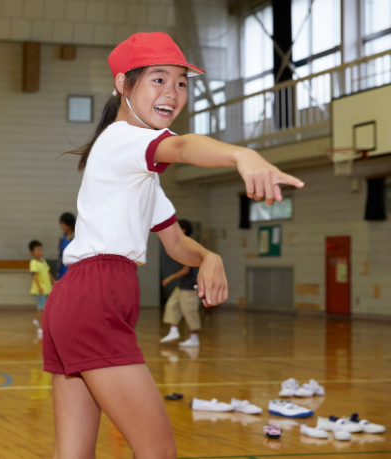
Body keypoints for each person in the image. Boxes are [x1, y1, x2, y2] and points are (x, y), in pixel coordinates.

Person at [42, 32, 304, 458]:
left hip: (77, 297)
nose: (172, 92)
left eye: (181, 82)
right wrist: (241, 155)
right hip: (96, 295)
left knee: (73, 453)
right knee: (158, 451)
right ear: (123, 84)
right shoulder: (123, 138)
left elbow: (176, 241)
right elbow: (181, 145)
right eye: (158, 79)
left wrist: (208, 256)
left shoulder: (140, 171)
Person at [160, 219, 201, 347]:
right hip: (182, 285)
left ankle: (194, 338)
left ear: (183, 230)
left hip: (190, 286)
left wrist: (169, 278)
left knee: (190, 311)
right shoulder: (181, 244)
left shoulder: (188, 245)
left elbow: (186, 269)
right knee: (172, 305)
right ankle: (173, 331)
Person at [29, 240, 53, 338]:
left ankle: (40, 322)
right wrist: (39, 287)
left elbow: (48, 273)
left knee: (47, 308)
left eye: (41, 250)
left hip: (47, 289)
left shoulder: (43, 261)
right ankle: (41, 328)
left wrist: (55, 283)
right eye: (38, 250)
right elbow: (34, 275)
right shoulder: (33, 262)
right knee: (41, 307)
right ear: (32, 252)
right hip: (40, 290)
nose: (40, 252)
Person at [57, 212, 75, 279]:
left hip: (72, 268)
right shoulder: (62, 237)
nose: (62, 225)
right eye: (61, 223)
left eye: (63, 223)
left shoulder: (76, 238)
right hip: (62, 268)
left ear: (70, 224)